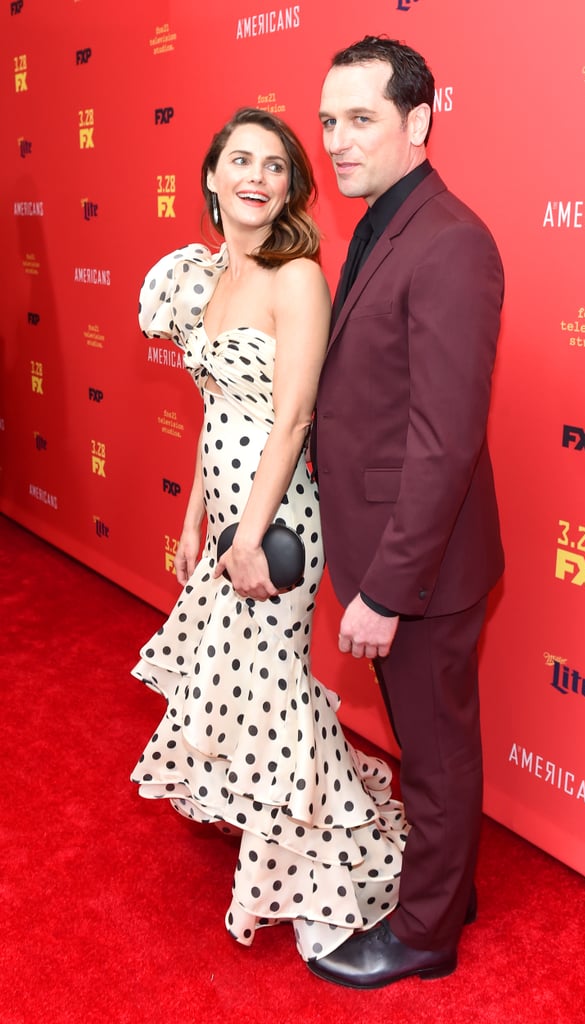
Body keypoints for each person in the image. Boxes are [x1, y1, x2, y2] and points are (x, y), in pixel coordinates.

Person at [130, 107, 407, 963]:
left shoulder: (297, 277)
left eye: (276, 165)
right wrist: (195, 523)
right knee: (240, 689)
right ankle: (280, 845)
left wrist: (248, 537)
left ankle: (324, 881)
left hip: (279, 521)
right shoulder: (204, 275)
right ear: (211, 177)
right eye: (240, 160)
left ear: (291, 187)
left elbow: (289, 421)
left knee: (276, 693)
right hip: (226, 519)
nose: (257, 175)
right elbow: (215, 412)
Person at [308, 38, 505, 988]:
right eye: (329, 120)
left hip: (421, 571)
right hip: (395, 555)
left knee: (434, 755)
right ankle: (449, 885)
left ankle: (425, 934)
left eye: (360, 120)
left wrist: (386, 588)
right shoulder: (388, 222)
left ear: (419, 122)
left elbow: (444, 440)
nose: (336, 142)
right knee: (431, 743)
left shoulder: (451, 239)